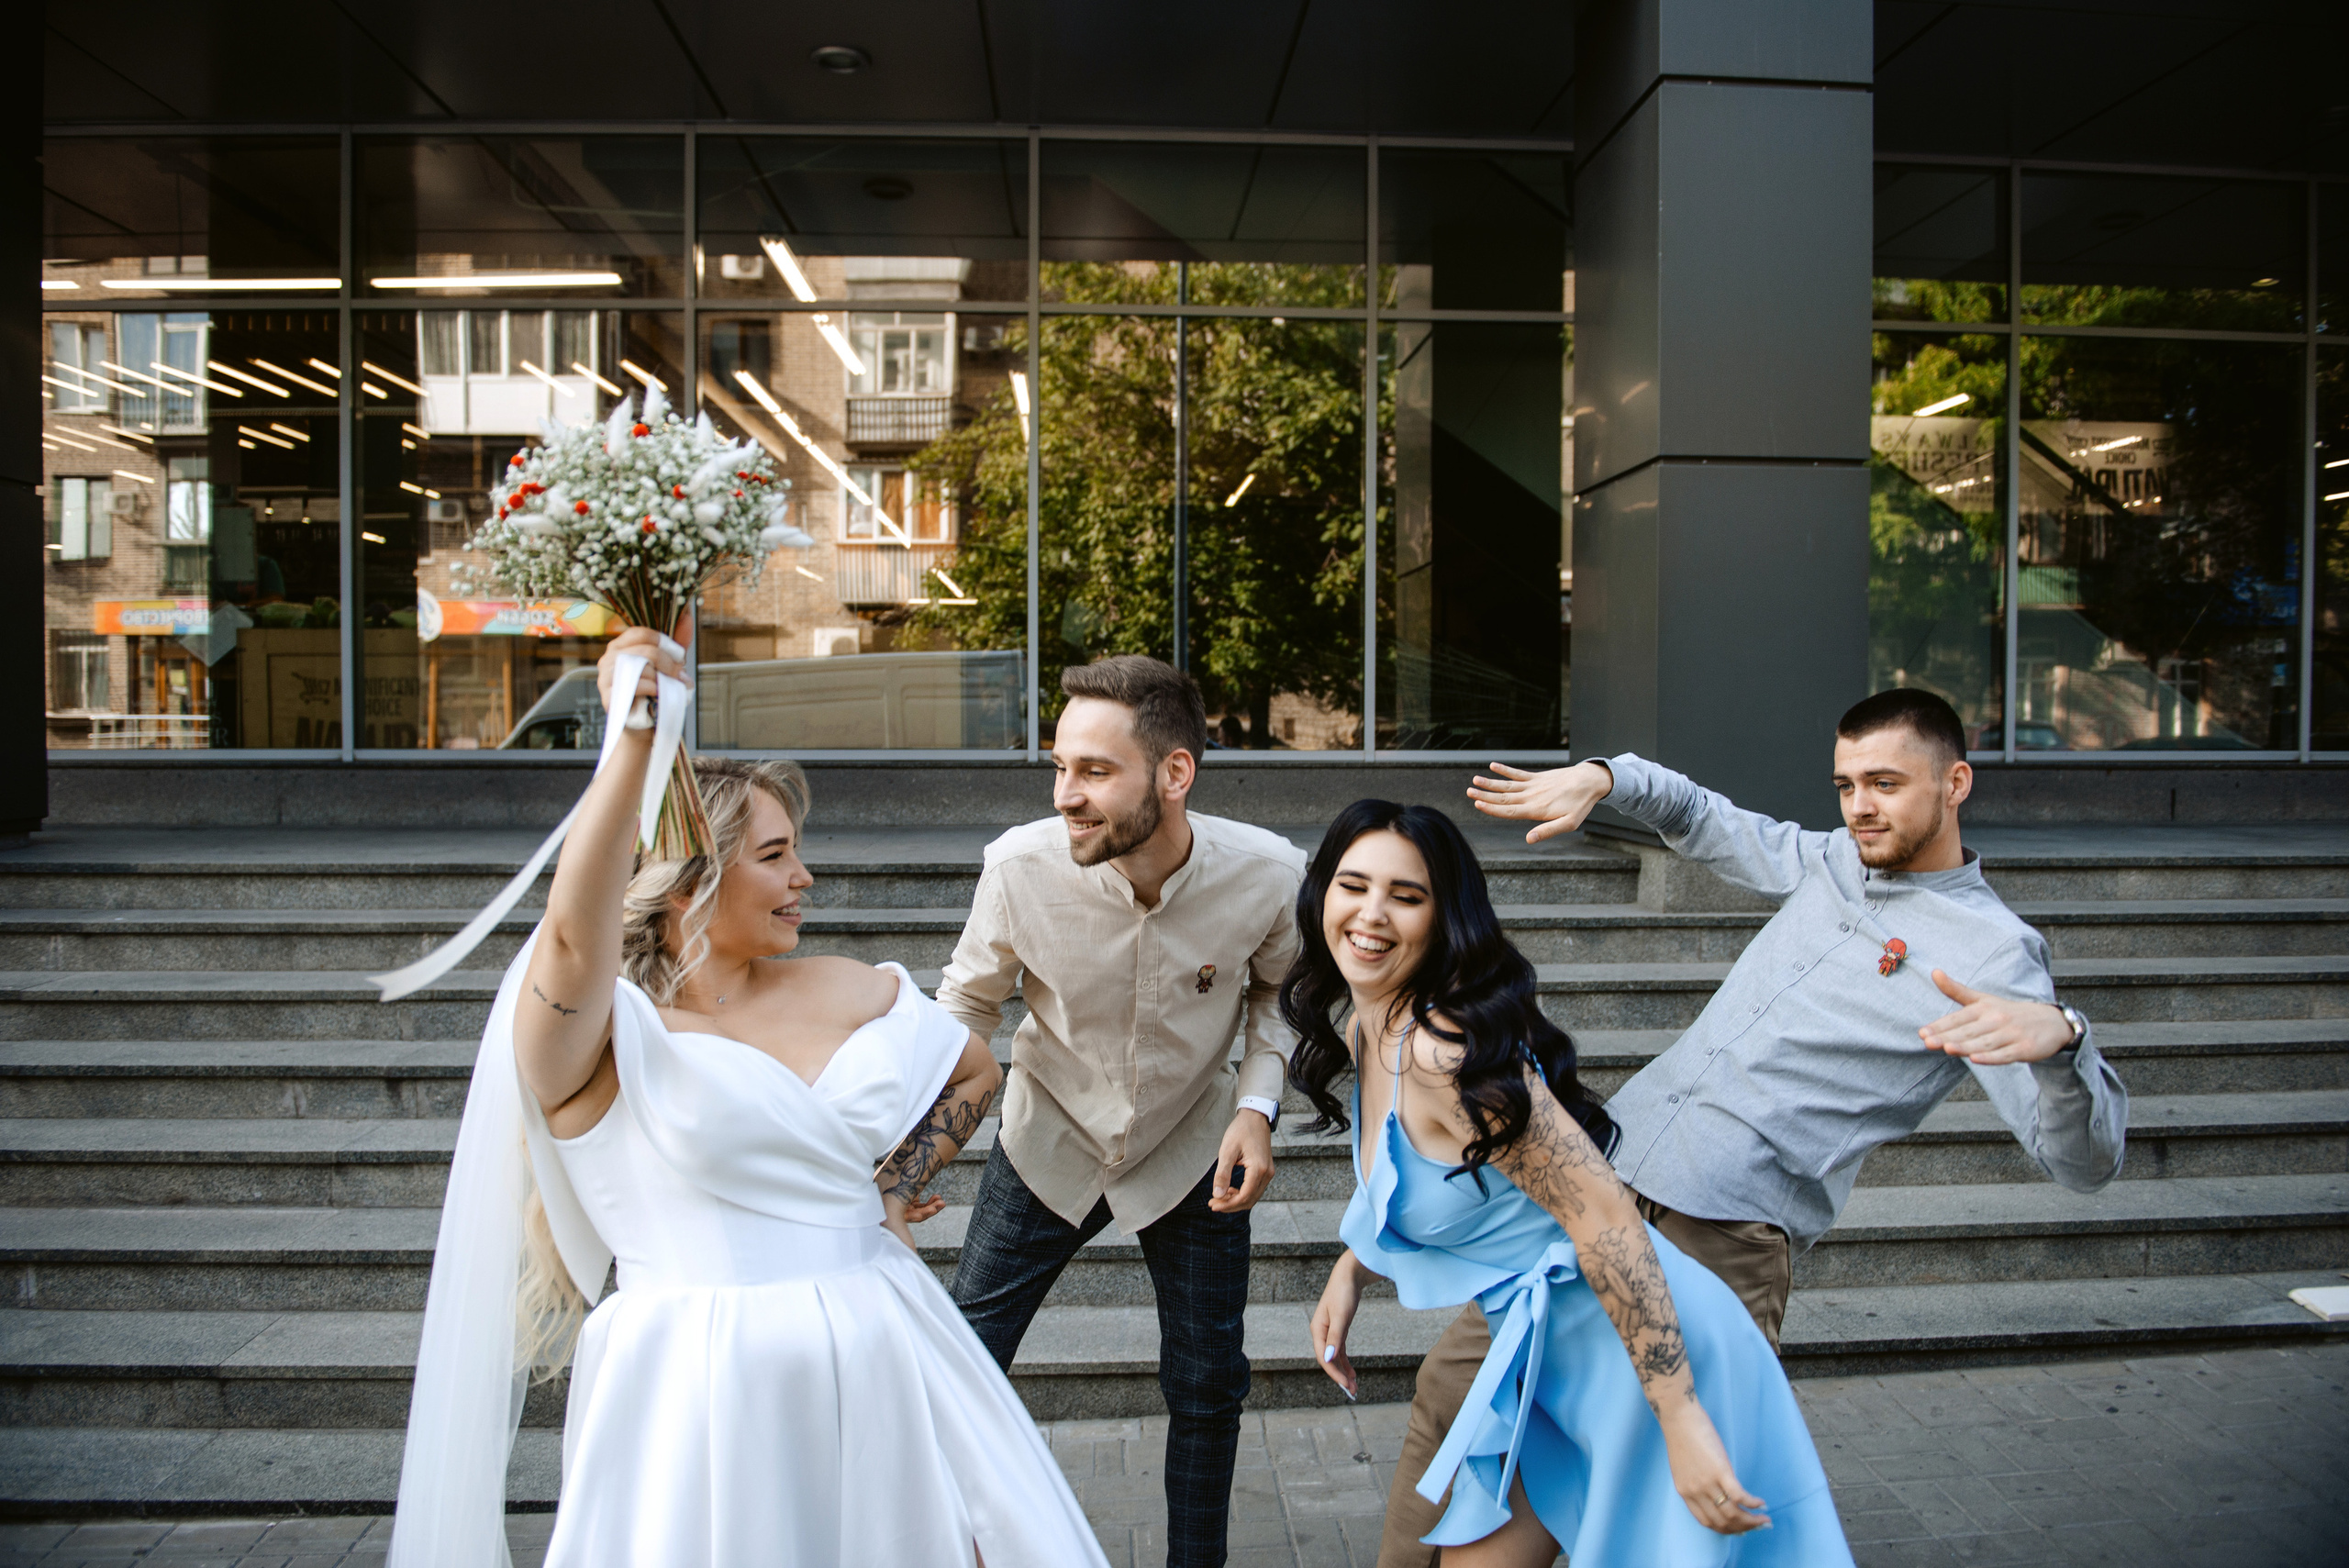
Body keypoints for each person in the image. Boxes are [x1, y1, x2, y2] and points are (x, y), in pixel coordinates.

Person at [389, 626, 1106, 1568]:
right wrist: (634, 743)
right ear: (692, 877)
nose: (803, 876)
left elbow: (976, 1068)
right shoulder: (602, 1039)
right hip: (703, 1390)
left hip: (896, 1353)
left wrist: (897, 1181)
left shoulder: (850, 985)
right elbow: (570, 939)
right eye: (774, 855)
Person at [1369, 687, 2129, 1566]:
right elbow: (1701, 816)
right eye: (1846, 784)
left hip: (1720, 1238)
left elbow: (2083, 1161)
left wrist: (2063, 1041)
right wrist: (1607, 776)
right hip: (1600, 1178)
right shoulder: (1834, 860)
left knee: (1646, 1495)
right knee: (1456, 1390)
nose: (1860, 806)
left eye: (1885, 782)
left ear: (1956, 782)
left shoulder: (1996, 953)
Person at [1293, 800, 1854, 1567]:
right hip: (1547, 1363)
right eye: (1353, 885)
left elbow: (1606, 1219)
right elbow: (1409, 1175)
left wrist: (1682, 1420)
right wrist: (1353, 1264)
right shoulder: (1369, 1023)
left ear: (1445, 916)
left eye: (1407, 894)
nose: (1372, 914)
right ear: (1322, 891)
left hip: (1650, 1365)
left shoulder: (1442, 1055)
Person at [933, 655, 1306, 1568]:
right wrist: (918, 1150)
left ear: (1174, 773)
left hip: (1191, 1145)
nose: (1066, 793)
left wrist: (1256, 1107)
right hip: (1047, 1138)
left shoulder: (1268, 874)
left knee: (1209, 1385)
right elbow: (964, 1008)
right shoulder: (1018, 867)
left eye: (1094, 770)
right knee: (961, 1366)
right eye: (1059, 767)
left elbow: (1280, 1003)